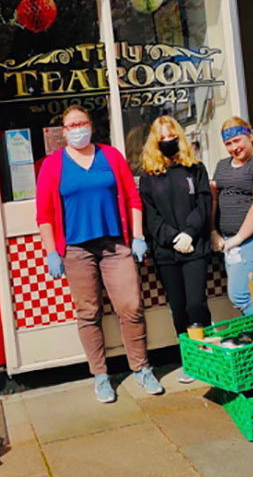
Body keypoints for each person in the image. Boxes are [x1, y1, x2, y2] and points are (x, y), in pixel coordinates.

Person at [36, 105, 163, 402]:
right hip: (76, 250)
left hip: (115, 246)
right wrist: (51, 251)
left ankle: (141, 368)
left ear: (91, 126)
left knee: (131, 306)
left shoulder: (111, 156)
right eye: (71, 125)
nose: (77, 129)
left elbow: (133, 197)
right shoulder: (53, 165)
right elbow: (44, 214)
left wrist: (138, 236)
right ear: (63, 131)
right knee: (89, 313)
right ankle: (100, 375)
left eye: (81, 123)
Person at [139, 116, 212, 384]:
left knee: (196, 304)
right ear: (154, 142)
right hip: (166, 252)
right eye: (162, 137)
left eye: (172, 135)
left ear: (179, 137)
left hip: (195, 246)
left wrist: (189, 233)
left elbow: (204, 205)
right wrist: (172, 238)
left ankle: (206, 353)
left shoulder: (195, 168)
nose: (167, 140)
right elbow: (151, 216)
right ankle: (190, 359)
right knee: (179, 307)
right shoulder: (148, 175)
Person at [211, 117, 253, 315]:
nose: (234, 147)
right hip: (229, 241)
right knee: (245, 293)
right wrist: (213, 231)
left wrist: (239, 238)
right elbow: (214, 200)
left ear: (249, 136)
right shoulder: (222, 166)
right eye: (228, 143)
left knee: (239, 294)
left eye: (237, 140)